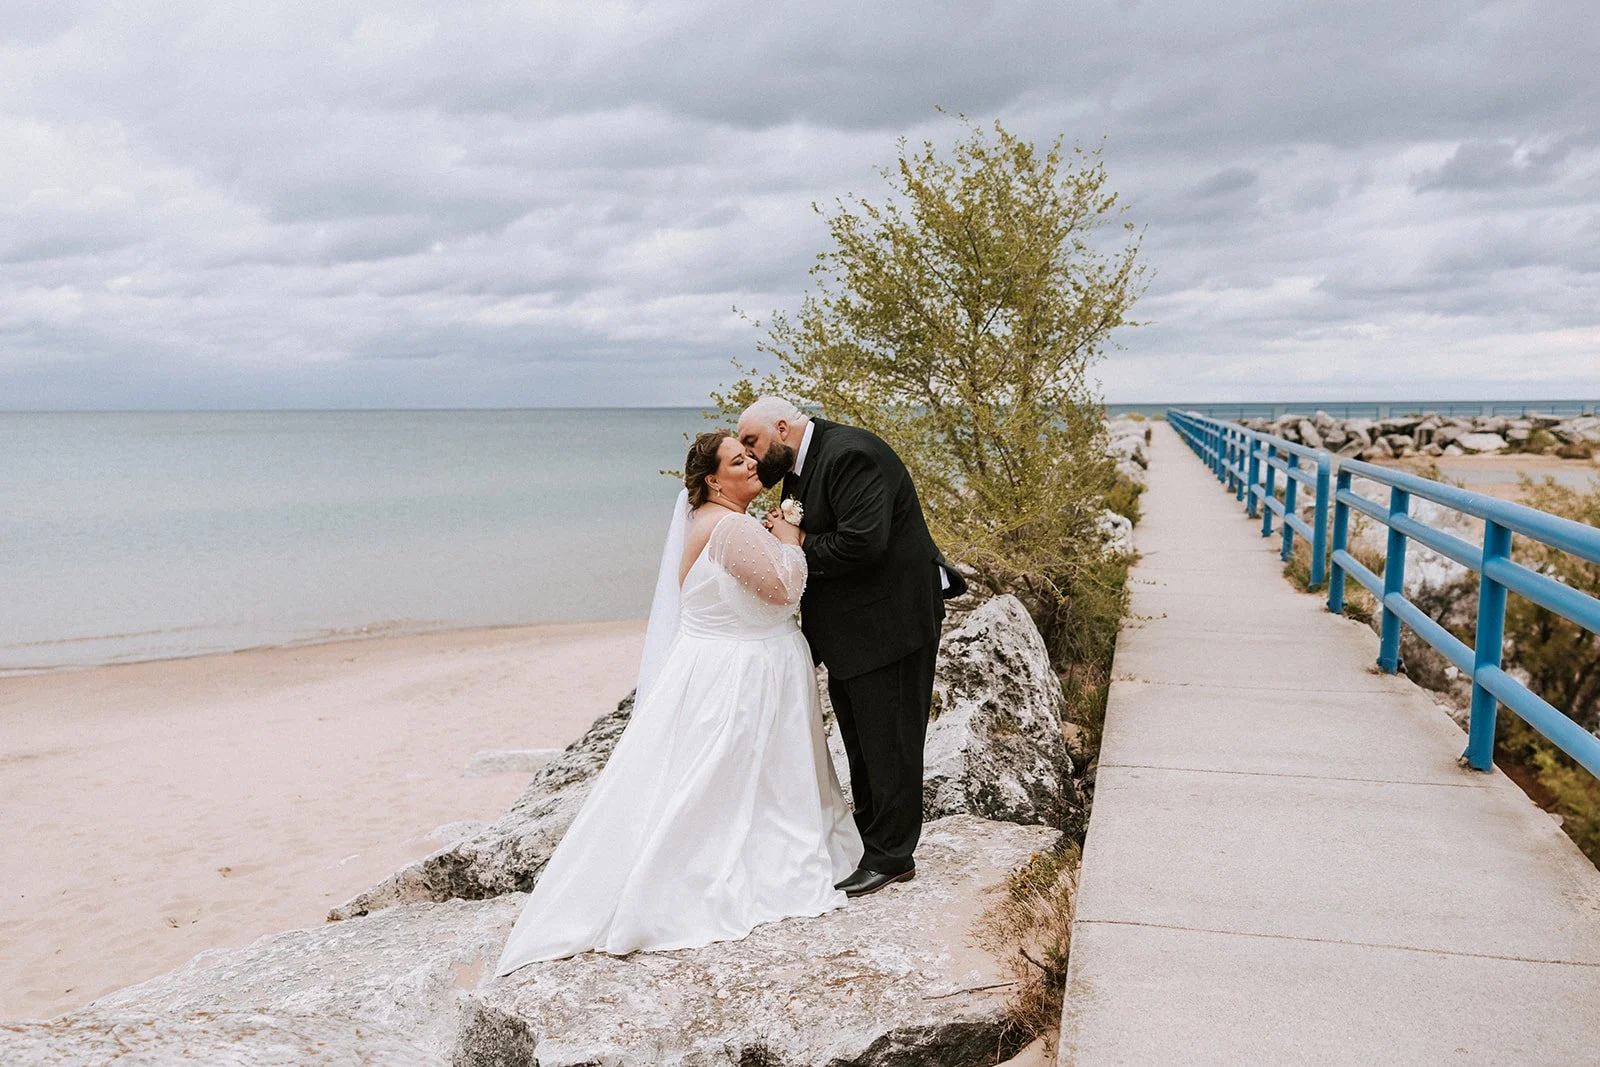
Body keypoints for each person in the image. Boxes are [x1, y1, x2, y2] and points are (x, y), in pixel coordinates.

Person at [495, 430, 861, 973]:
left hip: (731, 664)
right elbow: (785, 589)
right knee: (733, 779)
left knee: (728, 778)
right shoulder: (730, 526)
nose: (753, 464)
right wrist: (790, 537)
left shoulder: (709, 522)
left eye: (750, 455)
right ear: (713, 480)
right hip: (743, 672)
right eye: (738, 461)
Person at [737, 397, 966, 898]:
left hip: (891, 624)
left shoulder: (850, 453)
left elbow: (864, 542)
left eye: (752, 442)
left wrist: (795, 543)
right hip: (852, 632)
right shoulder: (803, 465)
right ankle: (871, 838)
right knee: (864, 744)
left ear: (782, 427)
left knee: (894, 743)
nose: (749, 456)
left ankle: (892, 857)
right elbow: (819, 529)